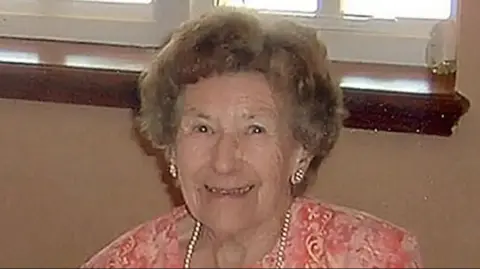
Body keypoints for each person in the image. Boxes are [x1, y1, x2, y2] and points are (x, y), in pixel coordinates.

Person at [81, 7, 422, 268]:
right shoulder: (128, 261)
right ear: (171, 150)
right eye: (202, 128)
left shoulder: (371, 257)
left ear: (301, 150)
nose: (224, 162)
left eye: (255, 129)